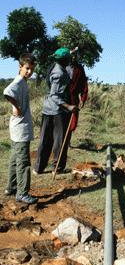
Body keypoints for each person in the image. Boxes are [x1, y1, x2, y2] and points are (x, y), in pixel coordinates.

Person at [33, 47, 78, 175]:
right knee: (59, 140)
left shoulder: (53, 66)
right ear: (65, 60)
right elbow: (54, 95)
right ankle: (57, 168)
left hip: (47, 109)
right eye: (68, 59)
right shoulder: (60, 74)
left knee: (45, 139)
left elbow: (64, 56)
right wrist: (68, 106)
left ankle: (38, 168)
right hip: (58, 111)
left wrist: (72, 52)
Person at [3, 53, 37, 204]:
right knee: (23, 162)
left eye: (32, 69)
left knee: (14, 159)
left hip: (17, 128)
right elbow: (7, 92)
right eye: (27, 68)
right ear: (20, 67)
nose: (30, 72)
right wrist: (15, 107)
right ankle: (22, 193)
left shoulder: (23, 81)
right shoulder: (18, 81)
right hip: (20, 129)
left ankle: (11, 187)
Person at [66, 47, 88, 142]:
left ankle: (67, 142)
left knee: (72, 122)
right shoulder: (62, 67)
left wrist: (83, 99)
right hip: (62, 99)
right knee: (61, 121)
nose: (74, 57)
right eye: (72, 55)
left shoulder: (79, 69)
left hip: (74, 99)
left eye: (75, 55)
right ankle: (60, 142)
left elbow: (84, 85)